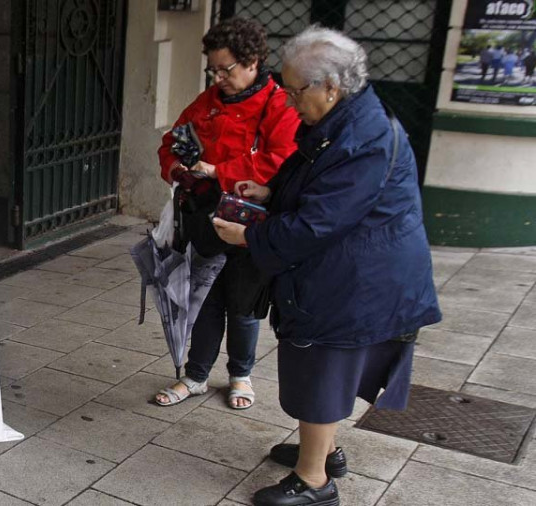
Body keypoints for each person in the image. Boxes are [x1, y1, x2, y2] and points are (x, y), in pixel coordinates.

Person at [211, 27, 441, 506]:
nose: (289, 100)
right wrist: (270, 194)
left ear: (329, 87)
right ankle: (324, 450)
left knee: (321, 366)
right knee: (321, 367)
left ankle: (314, 481)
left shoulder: (364, 138)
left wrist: (251, 235)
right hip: (353, 271)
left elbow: (319, 221)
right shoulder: (346, 121)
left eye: (295, 90)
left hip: (358, 279)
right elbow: (315, 187)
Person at [154, 18, 300, 409]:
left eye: (226, 69)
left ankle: (241, 375)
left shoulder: (279, 104)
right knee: (202, 299)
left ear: (252, 62)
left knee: (244, 304)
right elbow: (171, 142)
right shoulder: (209, 102)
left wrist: (219, 171)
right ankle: (196, 375)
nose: (218, 78)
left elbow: (280, 162)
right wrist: (176, 169)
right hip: (204, 219)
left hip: (250, 221)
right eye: (213, 70)